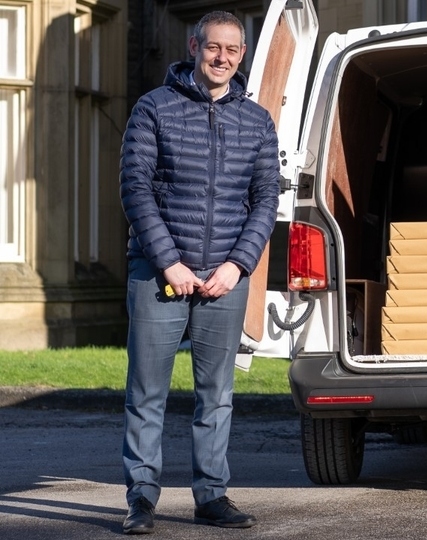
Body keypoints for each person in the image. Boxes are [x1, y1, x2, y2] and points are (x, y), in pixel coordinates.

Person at [118, 10, 280, 535]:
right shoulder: (154, 108)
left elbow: (265, 199)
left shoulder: (256, 121)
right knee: (147, 392)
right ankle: (141, 498)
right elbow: (135, 190)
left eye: (233, 51)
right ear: (194, 46)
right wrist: (169, 262)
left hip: (225, 279)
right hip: (158, 274)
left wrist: (238, 265)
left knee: (218, 394)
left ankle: (211, 495)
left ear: (241, 56)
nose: (223, 58)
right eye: (214, 48)